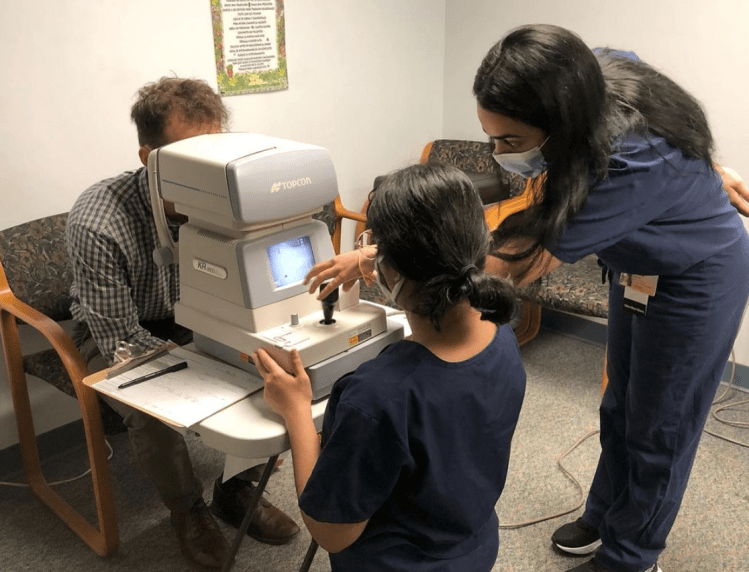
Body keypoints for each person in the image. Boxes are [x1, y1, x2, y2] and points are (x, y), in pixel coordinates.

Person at [471, 25, 749, 572]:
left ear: (562, 123)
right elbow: (665, 123)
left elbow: (515, 262)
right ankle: (605, 514)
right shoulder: (595, 74)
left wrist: (382, 260)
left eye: (511, 142)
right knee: (620, 404)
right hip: (637, 267)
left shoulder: (634, 163)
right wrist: (704, 169)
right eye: (492, 138)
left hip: (696, 277)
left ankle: (631, 555)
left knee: (661, 427)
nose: (498, 155)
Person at [65, 76, 299, 570]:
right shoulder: (99, 219)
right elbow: (118, 338)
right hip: (118, 329)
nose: (209, 169)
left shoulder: (230, 201)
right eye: (190, 155)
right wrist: (200, 366)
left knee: (274, 366)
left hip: (198, 316)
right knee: (148, 406)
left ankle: (236, 490)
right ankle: (187, 509)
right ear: (150, 159)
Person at [252, 163, 527, 572]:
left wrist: (296, 411)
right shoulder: (500, 330)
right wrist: (372, 261)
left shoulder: (379, 398)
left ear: (392, 272)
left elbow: (330, 533)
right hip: (471, 548)